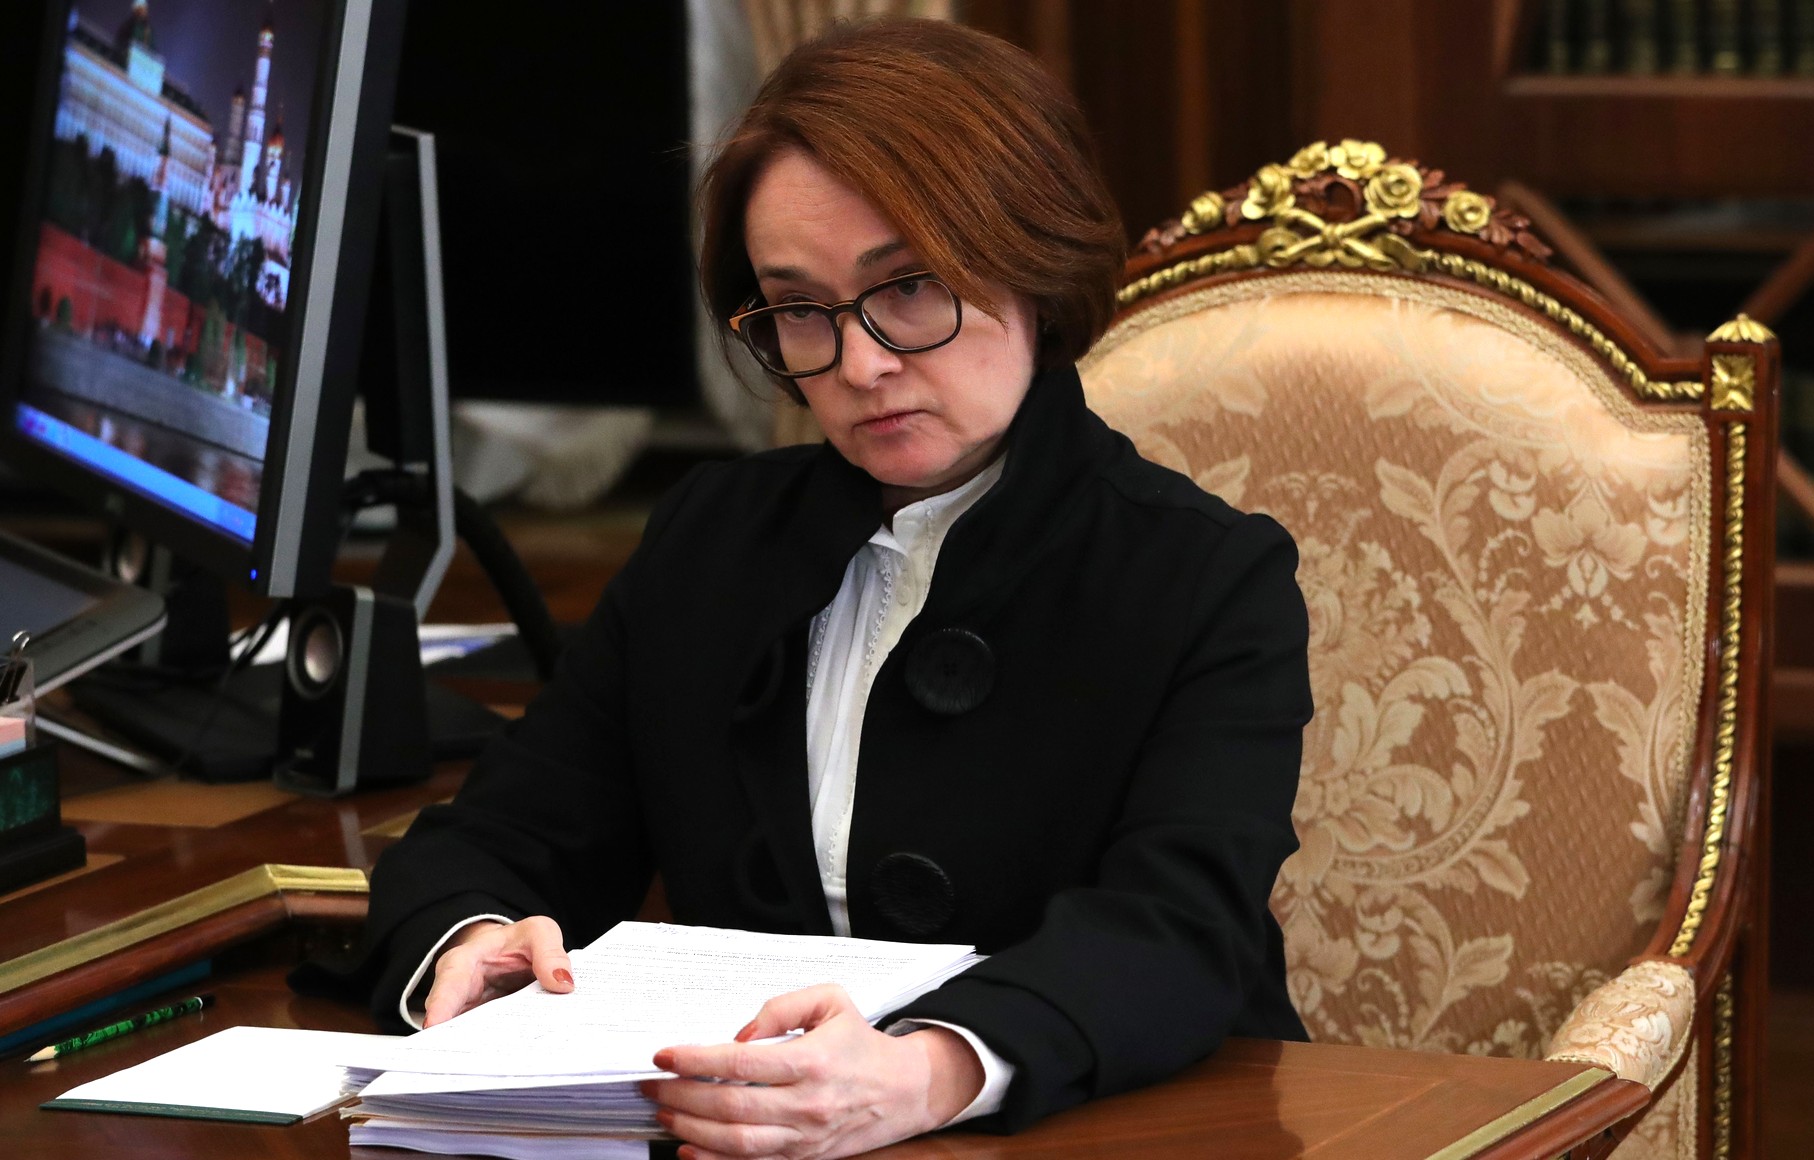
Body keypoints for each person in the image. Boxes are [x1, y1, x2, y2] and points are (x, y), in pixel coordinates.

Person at [342, 17, 1311, 1159]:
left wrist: (931, 1069)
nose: (859, 364)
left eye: (910, 288)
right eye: (800, 310)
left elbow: (1180, 931)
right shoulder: (711, 538)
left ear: (1036, 267)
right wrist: (472, 937)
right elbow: (500, 833)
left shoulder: (1207, 576)